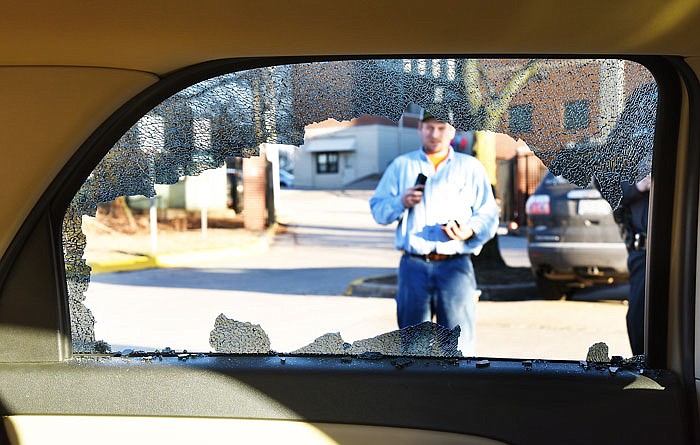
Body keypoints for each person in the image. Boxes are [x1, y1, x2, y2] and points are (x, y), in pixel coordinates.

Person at [369, 112, 499, 354]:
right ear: (419, 128)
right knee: (412, 346)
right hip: (413, 267)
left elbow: (489, 215)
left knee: (458, 346)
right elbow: (378, 209)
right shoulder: (402, 166)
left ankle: (458, 391)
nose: (435, 134)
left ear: (452, 131)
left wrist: (468, 230)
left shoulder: (469, 167)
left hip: (455, 267)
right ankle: (416, 392)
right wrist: (401, 201)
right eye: (429, 127)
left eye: (441, 127)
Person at [615, 173, 650, 356]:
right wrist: (639, 186)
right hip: (643, 252)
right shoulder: (625, 149)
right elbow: (607, 185)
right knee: (639, 317)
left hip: (683, 248)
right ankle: (645, 371)